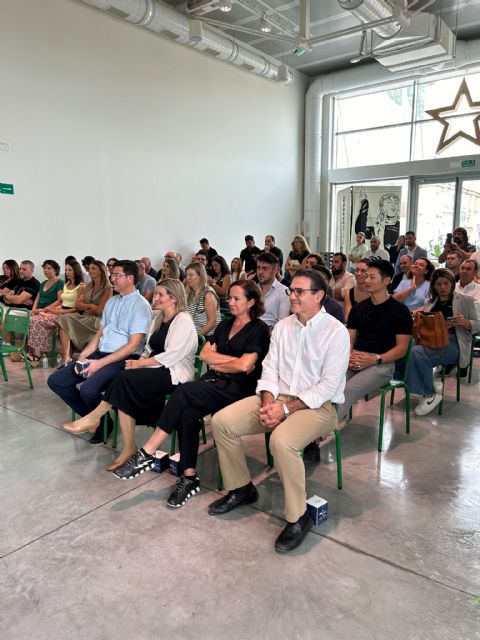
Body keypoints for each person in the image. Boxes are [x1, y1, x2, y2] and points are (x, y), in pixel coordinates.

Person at [208, 269, 350, 553]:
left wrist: (285, 409)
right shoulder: (284, 327)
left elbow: (328, 385)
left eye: (299, 292)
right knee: (222, 421)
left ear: (319, 296)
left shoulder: (336, 332)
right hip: (277, 398)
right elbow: (269, 368)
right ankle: (241, 489)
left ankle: (298, 517)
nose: (292, 296)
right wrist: (267, 402)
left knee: (281, 442)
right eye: (291, 291)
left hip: (318, 407)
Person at [112, 280, 271, 512]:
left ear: (252, 302)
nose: (230, 302)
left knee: (184, 390)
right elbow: (205, 354)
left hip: (240, 389)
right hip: (215, 382)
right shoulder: (225, 325)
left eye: (237, 298)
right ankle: (188, 477)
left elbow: (246, 367)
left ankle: (147, 451)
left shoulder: (258, 329)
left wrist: (224, 362)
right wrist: (229, 362)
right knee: (187, 413)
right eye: (231, 297)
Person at [63, 279, 198, 470]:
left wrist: (140, 363)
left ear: (173, 299)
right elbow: (149, 348)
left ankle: (97, 419)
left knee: (124, 379)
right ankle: (127, 447)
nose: (155, 297)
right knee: (124, 379)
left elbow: (172, 355)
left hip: (174, 373)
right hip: (154, 368)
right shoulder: (159, 317)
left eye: (160, 294)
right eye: (157, 293)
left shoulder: (183, 319)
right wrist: (138, 363)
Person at [48, 260, 152, 444]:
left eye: (117, 275)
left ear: (130, 278)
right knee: (57, 381)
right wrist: (85, 354)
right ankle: (100, 420)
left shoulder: (140, 305)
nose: (113, 279)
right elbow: (100, 332)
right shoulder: (112, 301)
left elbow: (132, 345)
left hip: (125, 359)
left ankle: (100, 421)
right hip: (101, 354)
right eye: (112, 275)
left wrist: (99, 364)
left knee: (89, 390)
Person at [335, 259, 412, 423]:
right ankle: (317, 425)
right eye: (365, 276)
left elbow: (402, 349)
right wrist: (348, 356)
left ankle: (319, 433)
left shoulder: (400, 311)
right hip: (356, 359)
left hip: (382, 363)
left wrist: (375, 359)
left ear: (387, 280)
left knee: (348, 390)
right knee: (331, 383)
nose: (365, 280)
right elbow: (349, 340)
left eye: (371, 277)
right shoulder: (359, 309)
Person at [408, 268, 479, 416]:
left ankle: (429, 393)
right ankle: (429, 385)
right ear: (433, 285)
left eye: (446, 283)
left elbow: (477, 325)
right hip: (431, 339)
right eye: (438, 284)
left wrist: (464, 322)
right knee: (409, 351)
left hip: (455, 343)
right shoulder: (429, 302)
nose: (442, 288)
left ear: (452, 284)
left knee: (417, 352)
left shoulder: (465, 300)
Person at [56, 260, 112, 366]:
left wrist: (87, 306)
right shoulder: (88, 286)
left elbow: (99, 310)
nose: (90, 271)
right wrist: (91, 306)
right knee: (63, 318)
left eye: (93, 268)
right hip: (85, 316)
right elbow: (77, 305)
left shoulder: (108, 289)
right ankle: (66, 358)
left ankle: (69, 357)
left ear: (101, 271)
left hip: (97, 319)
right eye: (89, 268)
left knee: (66, 319)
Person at [28, 261, 85, 362]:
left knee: (37, 320)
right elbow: (63, 302)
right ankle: (36, 353)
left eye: (70, 270)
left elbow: (78, 308)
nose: (67, 272)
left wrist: (59, 311)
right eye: (66, 270)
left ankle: (38, 354)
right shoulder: (67, 284)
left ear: (76, 271)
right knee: (33, 319)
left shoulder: (81, 286)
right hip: (61, 311)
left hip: (70, 314)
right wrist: (55, 309)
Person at [255, 252, 290, 329]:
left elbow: (282, 324)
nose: (260, 272)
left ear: (275, 270)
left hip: (270, 335)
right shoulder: (253, 288)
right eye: (258, 268)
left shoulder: (283, 291)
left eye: (265, 268)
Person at [185, 262, 221, 337]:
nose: (187, 278)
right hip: (191, 334)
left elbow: (212, 322)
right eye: (186, 275)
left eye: (191, 275)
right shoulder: (190, 293)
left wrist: (196, 337)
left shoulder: (208, 294)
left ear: (200, 276)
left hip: (206, 337)